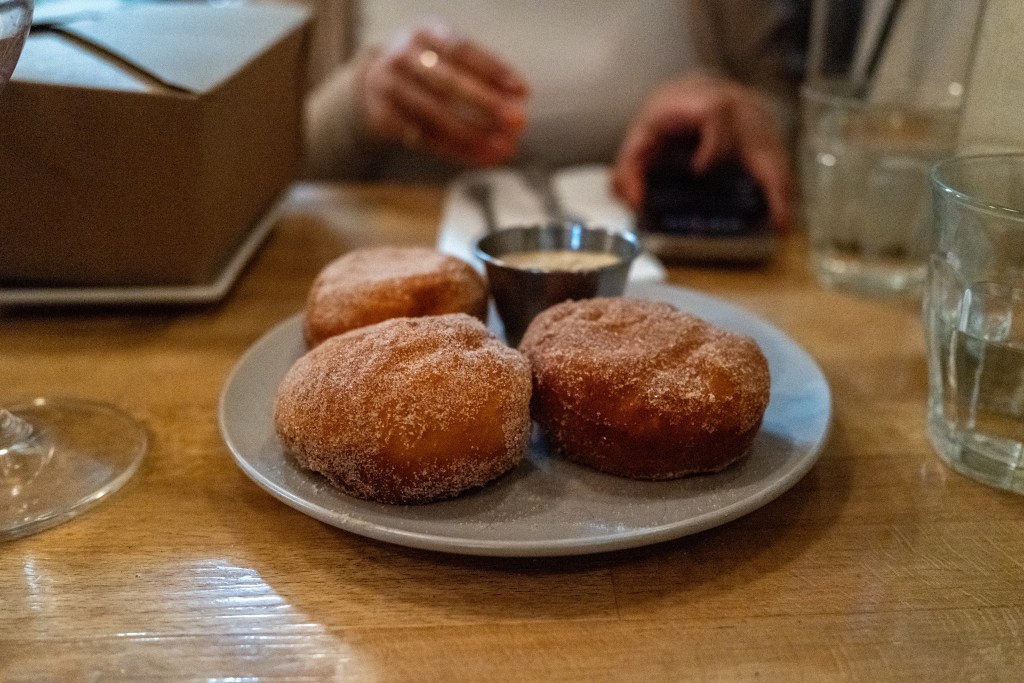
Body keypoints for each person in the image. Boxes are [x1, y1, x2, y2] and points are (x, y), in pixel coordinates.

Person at [304, 1, 806, 231]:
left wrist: (736, 113)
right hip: (380, 282)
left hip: (692, 280)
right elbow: (251, 168)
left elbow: (797, 107)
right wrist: (356, 104)